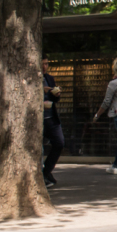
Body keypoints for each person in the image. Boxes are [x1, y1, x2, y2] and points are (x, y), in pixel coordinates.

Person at [41, 58, 65, 186]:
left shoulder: (50, 78)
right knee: (38, 149)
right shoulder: (31, 79)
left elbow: (55, 99)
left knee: (59, 143)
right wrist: (41, 91)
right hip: (38, 119)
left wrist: (56, 94)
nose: (44, 66)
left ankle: (47, 171)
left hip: (51, 117)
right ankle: (41, 175)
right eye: (42, 64)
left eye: (46, 63)